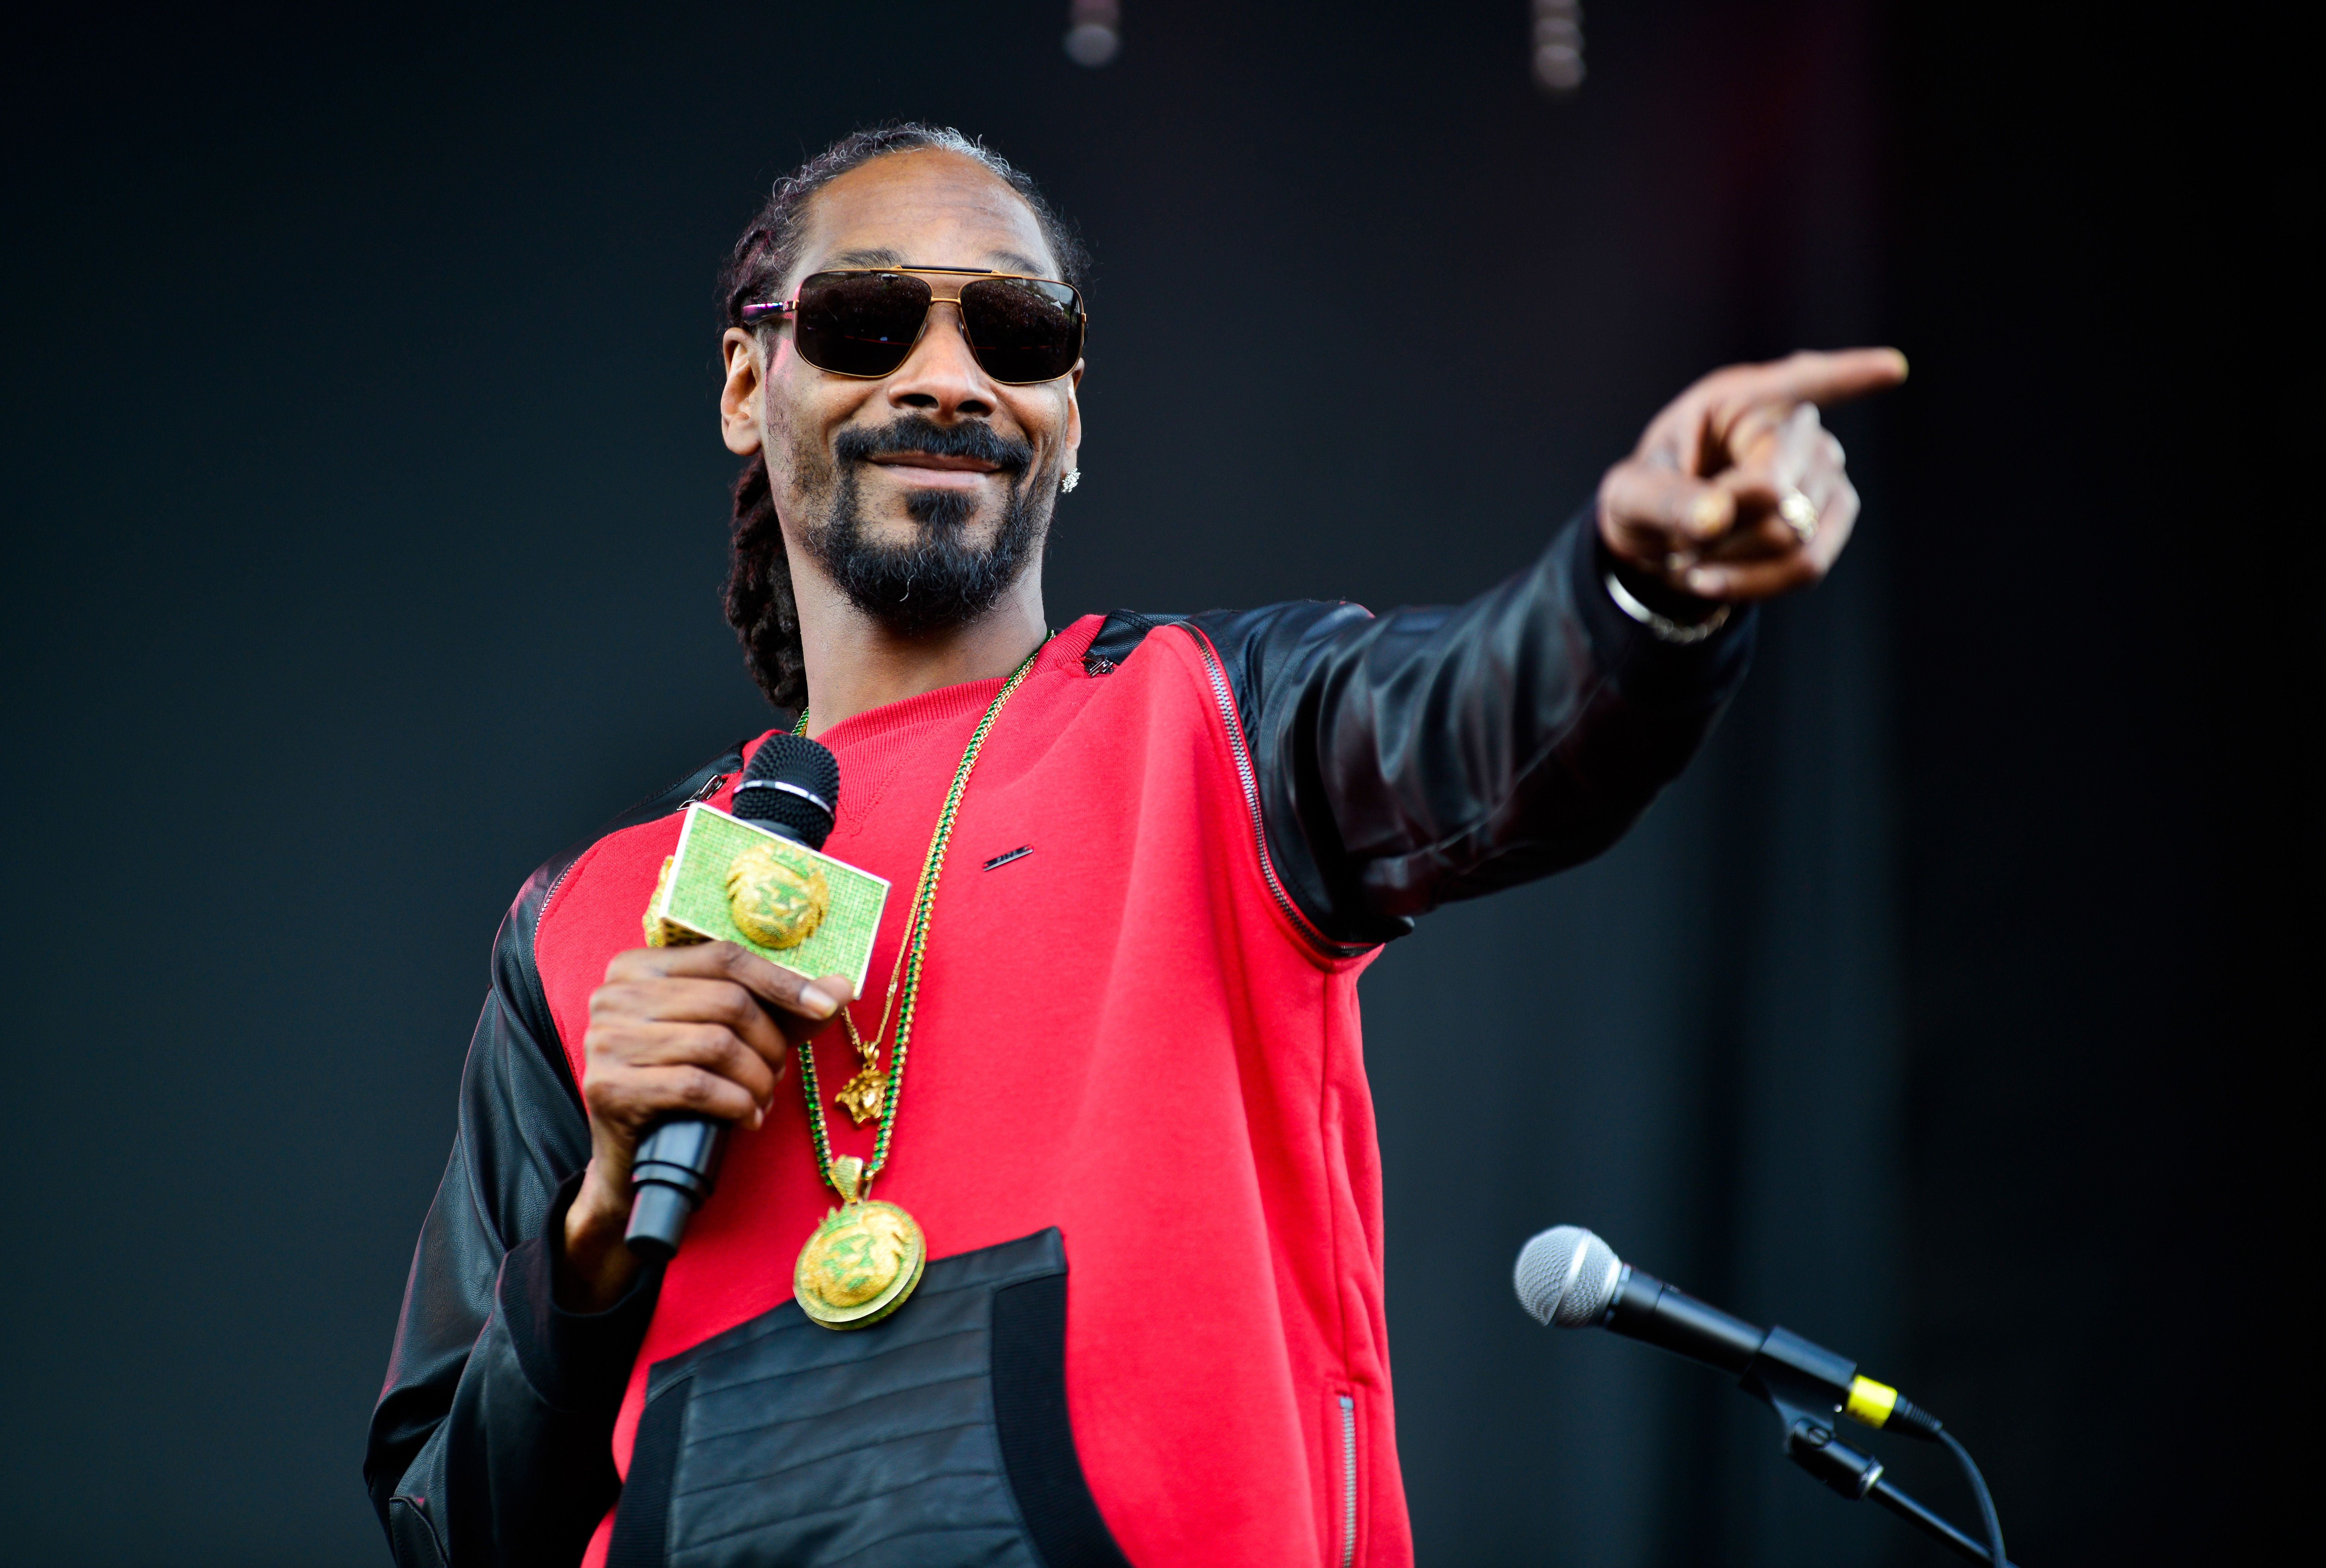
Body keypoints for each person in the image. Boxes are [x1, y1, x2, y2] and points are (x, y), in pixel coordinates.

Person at [364, 122, 1903, 1568]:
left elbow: (1483, 727)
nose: (948, 377)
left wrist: (1638, 590)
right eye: (866, 321)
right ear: (743, 382)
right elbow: (450, 1523)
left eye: (1014, 332)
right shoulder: (586, 922)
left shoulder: (1212, 719)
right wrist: (590, 1240)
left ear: (1071, 414)